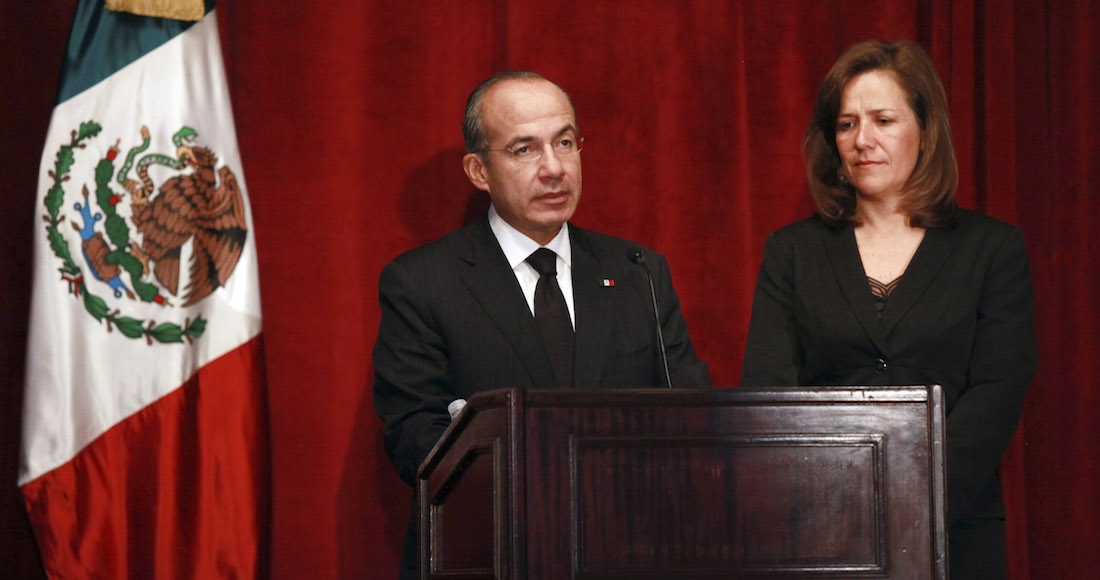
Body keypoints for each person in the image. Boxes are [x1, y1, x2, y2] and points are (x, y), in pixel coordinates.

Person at [373, 70, 710, 579]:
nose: (554, 168)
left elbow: (690, 415)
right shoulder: (422, 282)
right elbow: (414, 435)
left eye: (565, 143)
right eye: (524, 149)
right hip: (489, 552)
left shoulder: (637, 271)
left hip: (624, 552)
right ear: (479, 170)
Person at [740, 41, 1036, 579]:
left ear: (925, 131)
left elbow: (997, 392)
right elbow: (769, 392)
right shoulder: (792, 251)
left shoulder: (992, 249)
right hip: (820, 527)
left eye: (883, 120)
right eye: (847, 124)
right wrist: (839, 502)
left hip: (955, 526)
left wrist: (913, 500)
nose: (863, 140)